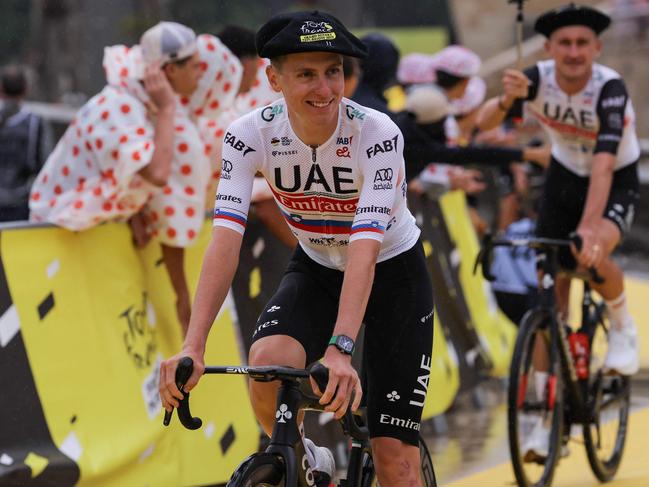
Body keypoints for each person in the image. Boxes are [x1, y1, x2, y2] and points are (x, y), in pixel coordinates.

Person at [160, 11, 435, 486]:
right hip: (318, 265)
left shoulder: (378, 134)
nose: (325, 89)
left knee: (396, 461)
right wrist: (192, 345)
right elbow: (225, 237)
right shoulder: (248, 136)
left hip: (392, 273)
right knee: (268, 364)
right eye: (306, 74)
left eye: (333, 72)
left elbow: (365, 244)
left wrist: (341, 349)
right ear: (274, 78)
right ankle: (305, 460)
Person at [477, 3, 641, 461]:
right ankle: (539, 423)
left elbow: (605, 165)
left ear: (596, 48)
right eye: (564, 44)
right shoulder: (536, 78)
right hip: (566, 177)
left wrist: (590, 229)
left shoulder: (609, 87)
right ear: (549, 49)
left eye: (581, 44)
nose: (573, 52)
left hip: (614, 176)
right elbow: (484, 124)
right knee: (549, 304)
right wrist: (507, 100)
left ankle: (624, 327)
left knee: (587, 253)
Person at [30, 21, 206, 333]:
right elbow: (158, 174)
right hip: (56, 237)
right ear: (168, 71)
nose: (202, 71)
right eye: (194, 65)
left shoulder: (141, 103)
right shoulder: (119, 107)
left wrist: (134, 211)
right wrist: (167, 110)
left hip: (88, 234)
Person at [0, 65, 49, 222]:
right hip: (20, 205)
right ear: (25, 89)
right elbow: (44, 166)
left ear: (1, 89)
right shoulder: (35, 123)